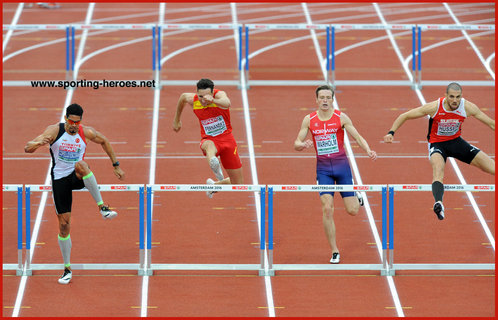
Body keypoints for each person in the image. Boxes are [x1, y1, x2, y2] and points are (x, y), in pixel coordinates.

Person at [24, 103, 125, 284]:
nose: (74, 125)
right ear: (65, 119)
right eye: (71, 122)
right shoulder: (55, 131)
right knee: (64, 226)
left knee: (82, 165)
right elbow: (27, 148)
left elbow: (104, 141)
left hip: (77, 176)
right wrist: (37, 144)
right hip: (60, 179)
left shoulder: (85, 132)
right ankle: (67, 268)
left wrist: (115, 165)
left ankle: (102, 207)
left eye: (77, 123)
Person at [383, 82, 495, 220]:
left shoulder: (467, 107)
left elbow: (492, 123)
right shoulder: (435, 107)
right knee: (438, 169)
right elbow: (405, 115)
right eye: (452, 97)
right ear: (446, 96)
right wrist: (391, 132)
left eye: (458, 97)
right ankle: (439, 203)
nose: (455, 100)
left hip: (456, 142)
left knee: (492, 167)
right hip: (437, 144)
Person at [294, 85, 377, 264]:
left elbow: (357, 136)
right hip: (323, 170)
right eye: (321, 97)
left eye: (328, 97)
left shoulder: (341, 118)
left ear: (332, 99)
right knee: (327, 208)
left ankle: (356, 196)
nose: (324, 100)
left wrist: (368, 150)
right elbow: (296, 142)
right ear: (316, 100)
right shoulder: (309, 120)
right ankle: (334, 250)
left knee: (353, 211)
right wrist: (301, 145)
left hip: (342, 168)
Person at [172, 78, 243, 197]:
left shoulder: (219, 95)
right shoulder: (194, 100)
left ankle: (214, 185)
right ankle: (213, 162)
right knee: (209, 145)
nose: (203, 100)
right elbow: (183, 97)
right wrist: (176, 120)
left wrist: (213, 100)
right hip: (209, 139)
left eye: (206, 97)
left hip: (227, 140)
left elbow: (227, 102)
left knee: (239, 185)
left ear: (212, 93)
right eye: (200, 96)